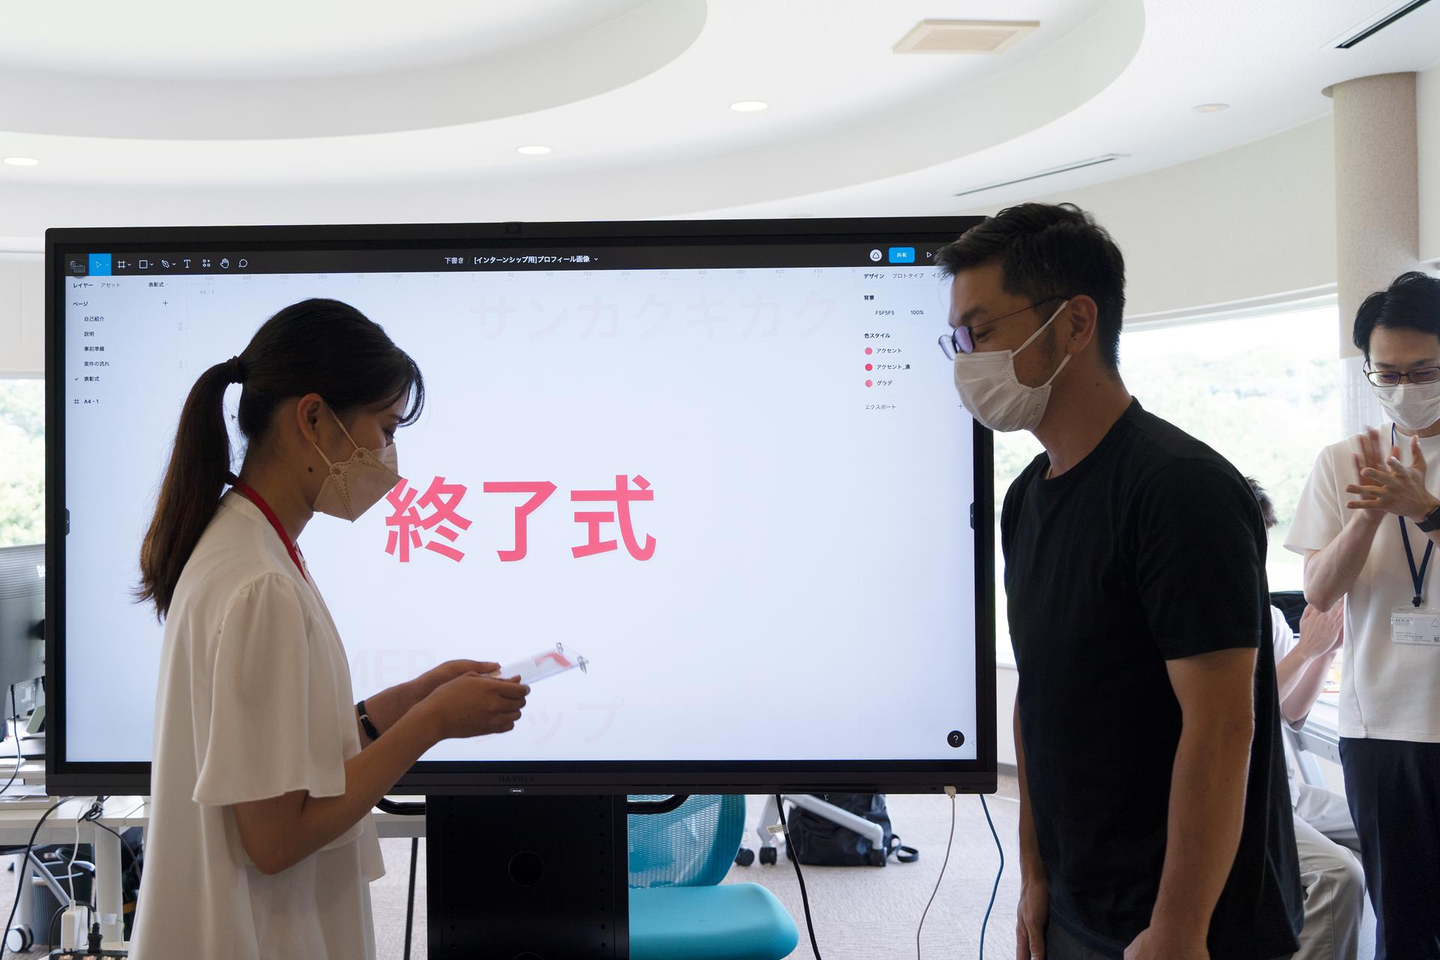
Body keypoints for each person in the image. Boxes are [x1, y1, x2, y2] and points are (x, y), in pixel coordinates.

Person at [937, 203, 1302, 960]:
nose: (966, 360)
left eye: (982, 331)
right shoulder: (1026, 498)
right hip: (1078, 902)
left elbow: (1222, 726)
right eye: (957, 340)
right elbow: (1038, 699)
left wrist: (1179, 928)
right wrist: (1035, 874)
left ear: (1075, 323)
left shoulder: (1180, 489)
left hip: (1186, 923)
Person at [130, 298, 531, 959]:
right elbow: (276, 839)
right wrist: (430, 725)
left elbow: (271, 755)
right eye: (386, 427)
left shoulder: (245, 545)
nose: (390, 456)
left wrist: (408, 701)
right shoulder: (260, 583)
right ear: (313, 418)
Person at [1286, 271, 1440, 960]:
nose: (1405, 387)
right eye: (1388, 374)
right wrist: (1370, 515)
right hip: (1378, 728)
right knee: (1400, 928)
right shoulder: (1342, 461)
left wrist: (1425, 510)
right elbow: (1320, 594)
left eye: (1424, 371)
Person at [1250, 479, 1365, 960]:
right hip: (1248, 796)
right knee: (1339, 875)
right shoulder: (1199, 611)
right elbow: (1243, 711)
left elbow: (1290, 711)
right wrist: (1304, 652)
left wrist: (1325, 650)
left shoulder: (1268, 614)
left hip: (1287, 789)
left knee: (1390, 829)